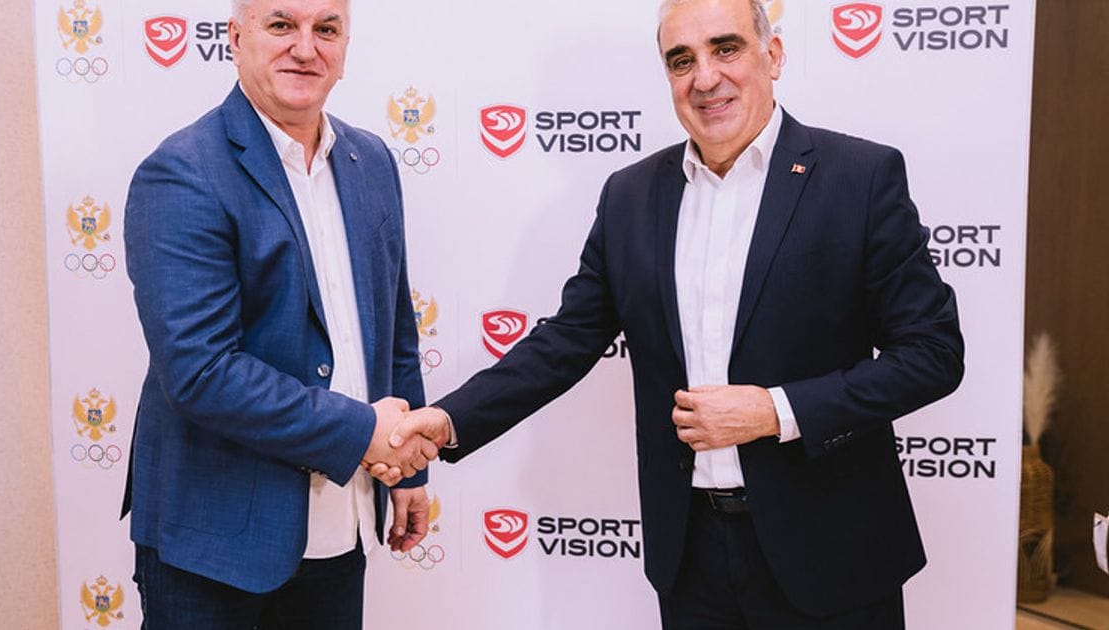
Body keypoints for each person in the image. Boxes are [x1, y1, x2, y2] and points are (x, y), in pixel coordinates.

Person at [388, 0, 964, 627]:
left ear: (772, 55)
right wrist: (449, 420)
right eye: (681, 60)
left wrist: (774, 411)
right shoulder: (631, 195)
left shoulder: (861, 177)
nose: (705, 77)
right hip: (691, 560)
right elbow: (566, 342)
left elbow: (932, 355)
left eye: (726, 48)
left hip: (833, 551)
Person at [121, 0, 434, 627]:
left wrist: (407, 467)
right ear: (236, 38)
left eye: (327, 29)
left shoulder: (371, 160)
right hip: (215, 543)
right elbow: (202, 371)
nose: (305, 47)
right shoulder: (183, 173)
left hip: (342, 526)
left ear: (345, 46)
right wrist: (360, 432)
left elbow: (392, 328)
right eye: (282, 24)